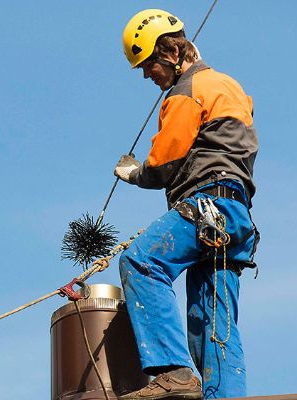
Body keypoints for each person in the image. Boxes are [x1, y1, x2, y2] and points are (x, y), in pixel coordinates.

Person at [113, 9, 260, 400]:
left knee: (141, 261)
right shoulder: (228, 85)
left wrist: (136, 172)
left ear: (170, 52)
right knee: (214, 321)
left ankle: (173, 373)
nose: (147, 76)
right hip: (235, 217)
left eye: (148, 66)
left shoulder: (185, 92)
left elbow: (164, 163)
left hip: (206, 204)